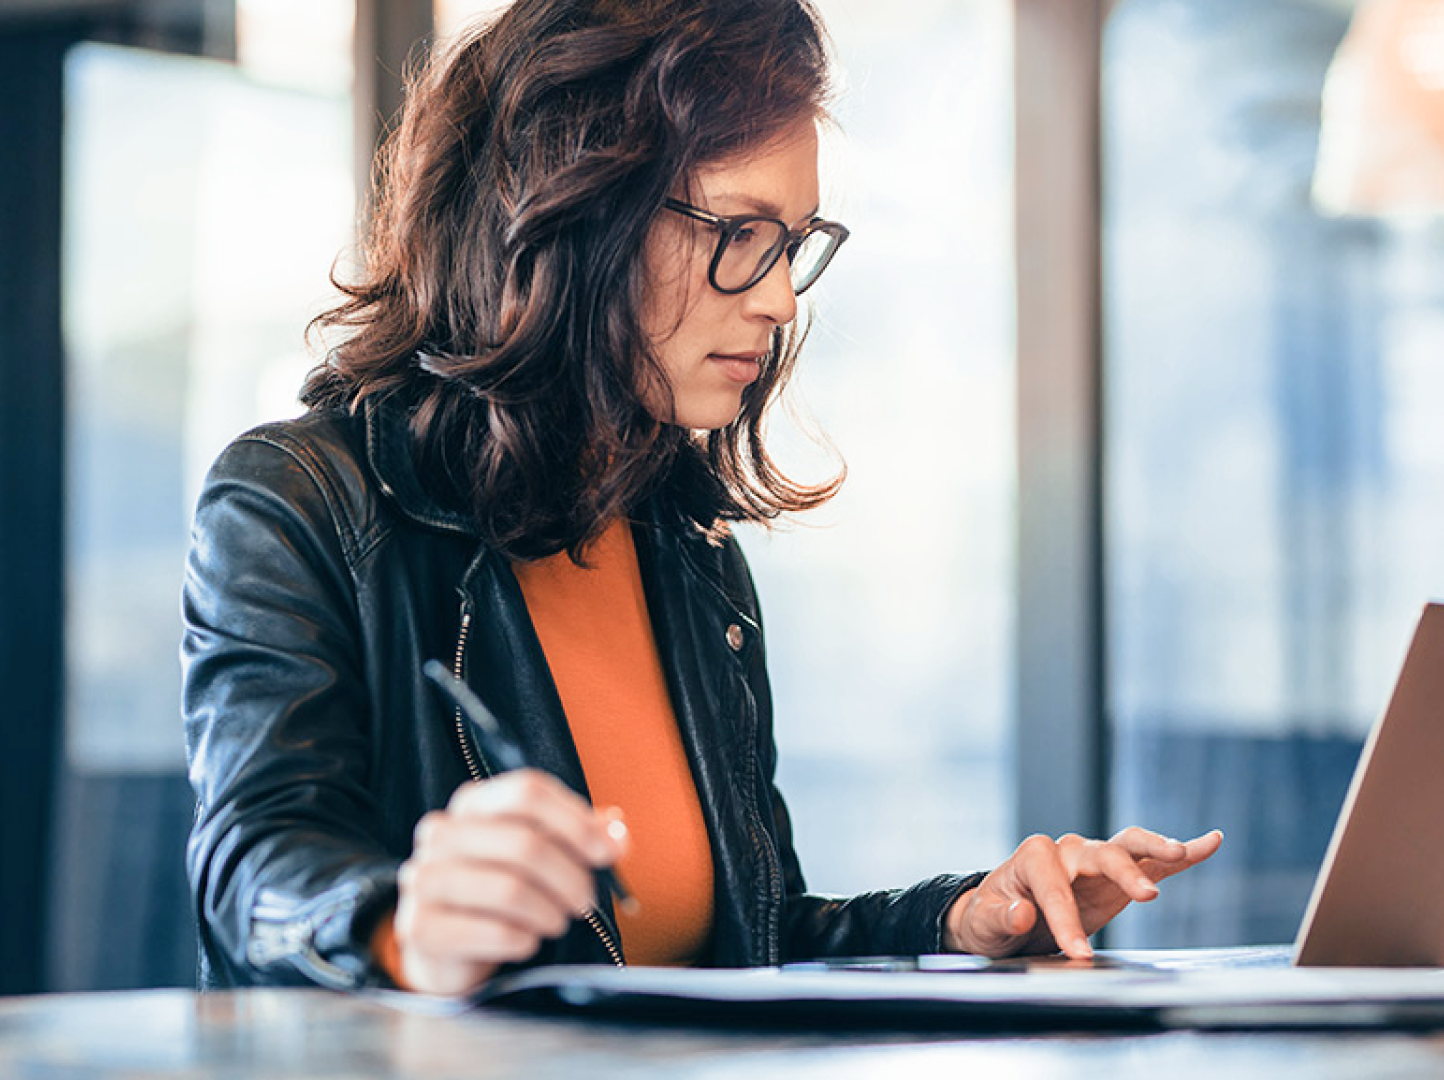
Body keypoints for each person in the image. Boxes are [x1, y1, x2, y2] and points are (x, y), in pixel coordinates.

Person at [182, 0, 1221, 997]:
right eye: (738, 231)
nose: (775, 297)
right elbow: (253, 869)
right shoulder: (299, 500)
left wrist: (965, 921)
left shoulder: (683, 540)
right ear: (572, 211)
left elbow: (749, 942)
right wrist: (405, 928)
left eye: (793, 242)